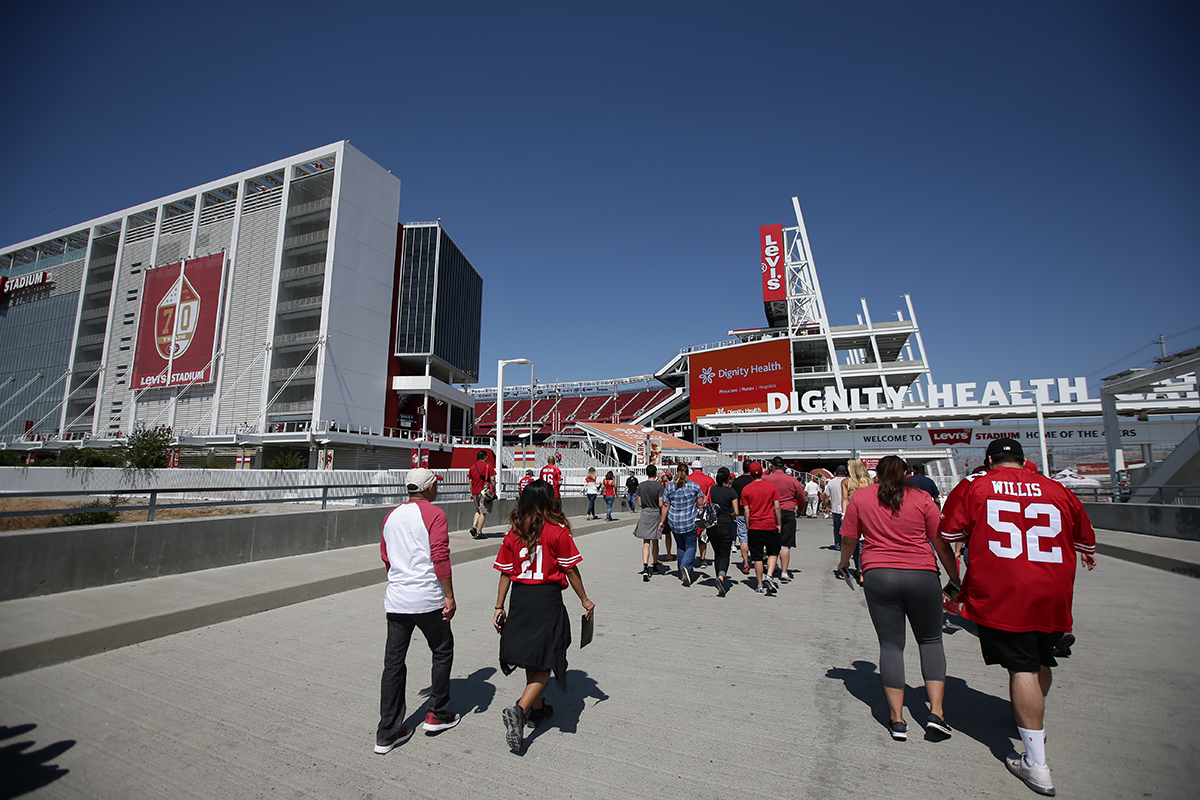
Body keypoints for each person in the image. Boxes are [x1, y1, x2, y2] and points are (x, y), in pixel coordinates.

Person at [939, 438, 1096, 797]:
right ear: (1024, 460)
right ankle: (1029, 718)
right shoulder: (1057, 489)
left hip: (1006, 588)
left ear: (989, 459)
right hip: (1053, 590)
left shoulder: (975, 485)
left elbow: (948, 534)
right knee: (1042, 659)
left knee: (1021, 666)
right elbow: (1085, 541)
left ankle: (1036, 762)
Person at [836, 455, 960, 742]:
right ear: (907, 473)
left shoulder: (862, 497)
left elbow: (850, 539)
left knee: (891, 645)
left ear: (876, 473)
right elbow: (941, 544)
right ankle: (937, 713)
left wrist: (844, 562)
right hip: (922, 574)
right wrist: (955, 577)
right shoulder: (922, 499)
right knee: (930, 641)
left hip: (878, 574)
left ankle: (897, 720)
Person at [492, 480, 595, 755]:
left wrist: (499, 606)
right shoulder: (558, 532)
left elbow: (505, 572)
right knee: (548, 656)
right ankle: (520, 709)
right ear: (551, 501)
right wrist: (584, 599)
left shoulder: (513, 532)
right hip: (547, 599)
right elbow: (570, 570)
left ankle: (538, 708)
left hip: (521, 598)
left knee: (531, 654)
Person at [375, 468, 460, 754]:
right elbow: (439, 555)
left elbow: (386, 556)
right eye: (436, 485)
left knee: (394, 663)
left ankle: (387, 731)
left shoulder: (391, 516)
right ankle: (437, 712)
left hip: (397, 599)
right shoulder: (435, 514)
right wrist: (449, 595)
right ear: (428, 488)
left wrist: (399, 580)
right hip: (426, 598)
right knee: (442, 649)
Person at [740, 462, 782, 596]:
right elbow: (777, 507)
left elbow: (746, 511)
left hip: (754, 525)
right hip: (770, 523)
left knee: (757, 557)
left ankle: (759, 585)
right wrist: (779, 523)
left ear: (750, 473)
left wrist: (748, 525)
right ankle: (769, 574)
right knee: (773, 552)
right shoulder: (772, 487)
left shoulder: (746, 489)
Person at [661, 463, 704, 586]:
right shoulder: (694, 486)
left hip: (674, 521)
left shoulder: (670, 487)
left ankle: (681, 574)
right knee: (690, 546)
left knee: (680, 547)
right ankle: (685, 566)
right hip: (689, 521)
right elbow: (701, 504)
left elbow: (665, 505)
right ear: (688, 472)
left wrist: (662, 522)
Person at [764, 456, 805, 582]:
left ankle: (772, 567)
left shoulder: (767, 478)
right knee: (785, 544)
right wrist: (800, 510)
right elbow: (802, 497)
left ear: (773, 466)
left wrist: (768, 470)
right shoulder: (793, 481)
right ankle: (784, 572)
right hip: (788, 511)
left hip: (771, 512)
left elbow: (759, 477)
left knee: (771, 543)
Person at [708, 466, 740, 597]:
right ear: (728, 478)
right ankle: (721, 577)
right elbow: (737, 512)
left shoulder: (712, 489)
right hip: (726, 524)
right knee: (725, 553)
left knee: (717, 553)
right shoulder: (732, 492)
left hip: (713, 525)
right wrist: (730, 515)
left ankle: (717, 575)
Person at [841, 458, 873, 581]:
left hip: (852, 511)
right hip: (868, 512)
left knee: (854, 540)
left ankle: (859, 569)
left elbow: (844, 498)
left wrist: (843, 513)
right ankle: (865, 568)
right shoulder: (869, 481)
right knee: (866, 540)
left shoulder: (846, 481)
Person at [632, 464, 665, 580]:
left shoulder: (641, 486)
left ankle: (645, 565)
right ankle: (655, 563)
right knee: (655, 540)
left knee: (646, 541)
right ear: (655, 473)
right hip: (656, 513)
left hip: (645, 513)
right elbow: (661, 504)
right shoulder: (660, 487)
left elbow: (639, 503)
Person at [687, 460, 715, 564]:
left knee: (690, 536)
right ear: (702, 468)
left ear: (692, 469)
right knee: (703, 536)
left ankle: (690, 557)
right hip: (704, 510)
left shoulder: (688, 479)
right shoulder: (709, 479)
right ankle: (702, 558)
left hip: (690, 510)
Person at [731, 460, 755, 573]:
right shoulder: (755, 481)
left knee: (743, 537)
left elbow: (734, 497)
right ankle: (759, 557)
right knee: (757, 536)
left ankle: (745, 563)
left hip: (740, 512)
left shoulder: (736, 481)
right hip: (755, 512)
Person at [469, 450, 496, 540]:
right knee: (483, 512)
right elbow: (492, 479)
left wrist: (471, 493)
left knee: (478, 510)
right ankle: (479, 532)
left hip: (475, 491)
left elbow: (470, 481)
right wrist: (493, 489)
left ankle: (474, 527)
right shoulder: (488, 466)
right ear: (485, 457)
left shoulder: (473, 467)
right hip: (484, 492)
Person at [826, 465, 847, 550]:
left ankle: (838, 544)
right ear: (845, 473)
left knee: (837, 528)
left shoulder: (831, 482)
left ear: (836, 473)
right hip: (846, 508)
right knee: (847, 528)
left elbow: (827, 495)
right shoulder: (848, 481)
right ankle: (847, 544)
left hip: (835, 508)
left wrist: (824, 505)